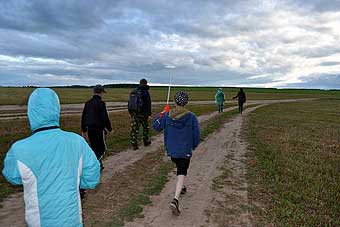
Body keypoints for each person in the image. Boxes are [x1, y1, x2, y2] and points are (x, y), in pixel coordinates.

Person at [2, 88, 100, 227]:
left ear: (31, 112)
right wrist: (73, 182)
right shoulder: (77, 142)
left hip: (38, 222)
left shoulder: (19, 149)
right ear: (56, 110)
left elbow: (13, 176)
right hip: (72, 220)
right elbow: (92, 178)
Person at [153, 91, 200, 216]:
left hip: (172, 151)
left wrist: (163, 112)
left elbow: (156, 126)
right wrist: (193, 146)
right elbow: (196, 135)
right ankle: (175, 200)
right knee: (182, 171)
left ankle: (182, 187)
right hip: (184, 151)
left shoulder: (167, 115)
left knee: (180, 168)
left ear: (174, 101)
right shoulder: (191, 117)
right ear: (186, 102)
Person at [81, 84, 112, 170]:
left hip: (90, 130)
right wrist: (109, 129)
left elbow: (83, 116)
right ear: (101, 92)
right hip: (99, 130)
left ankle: (99, 165)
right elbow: (105, 117)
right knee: (102, 149)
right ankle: (93, 165)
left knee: (94, 147)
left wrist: (83, 130)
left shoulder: (88, 103)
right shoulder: (101, 103)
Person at [128, 79, 152, 150]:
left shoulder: (134, 91)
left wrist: (131, 112)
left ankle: (134, 144)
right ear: (146, 83)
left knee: (134, 129)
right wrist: (149, 114)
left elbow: (129, 103)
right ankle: (146, 141)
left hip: (135, 114)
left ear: (140, 83)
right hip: (143, 114)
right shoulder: (146, 92)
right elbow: (148, 104)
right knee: (145, 128)